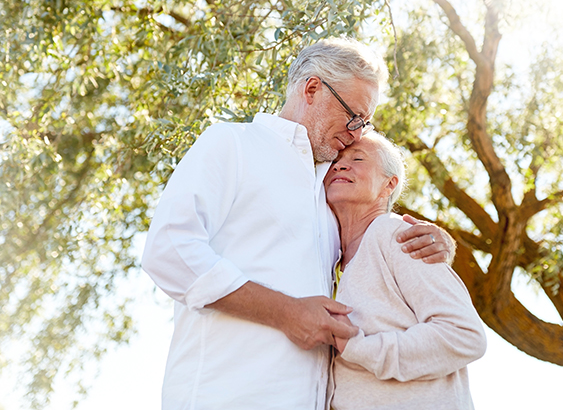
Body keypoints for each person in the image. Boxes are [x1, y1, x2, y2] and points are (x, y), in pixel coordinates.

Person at [141, 38, 453, 410]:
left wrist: (439, 243)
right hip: (223, 395)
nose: (357, 132)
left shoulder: (331, 192)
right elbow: (169, 251)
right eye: (354, 116)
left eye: (365, 123)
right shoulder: (232, 144)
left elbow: (371, 248)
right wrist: (287, 313)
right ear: (312, 88)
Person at [326, 131, 486, 410]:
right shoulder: (331, 264)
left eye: (358, 158)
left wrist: (358, 348)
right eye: (335, 160)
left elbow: (464, 334)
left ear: (389, 185)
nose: (340, 165)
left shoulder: (396, 236)